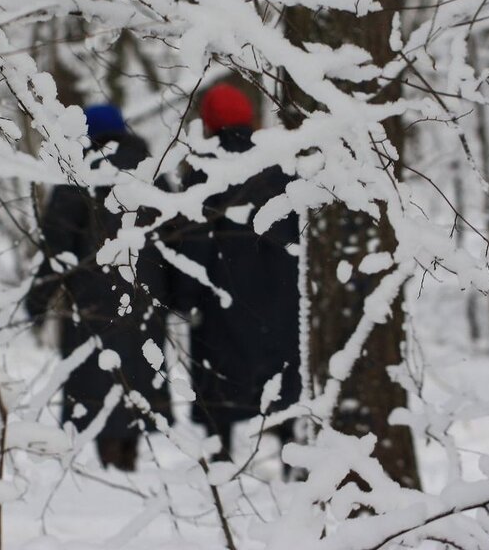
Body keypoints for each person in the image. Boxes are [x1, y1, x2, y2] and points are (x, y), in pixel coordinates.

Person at [25, 104, 175, 471]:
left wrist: (38, 301)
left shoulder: (79, 174)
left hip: (92, 308)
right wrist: (181, 296)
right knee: (136, 385)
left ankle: (111, 467)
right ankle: (128, 463)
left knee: (98, 390)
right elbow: (176, 238)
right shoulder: (150, 172)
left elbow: (56, 247)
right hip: (144, 301)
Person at [174, 83, 302, 462]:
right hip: (280, 293)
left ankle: (221, 456)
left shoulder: (203, 169)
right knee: (282, 377)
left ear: (210, 121)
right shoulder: (279, 165)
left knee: (222, 380)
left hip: (223, 298)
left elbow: (192, 239)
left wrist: (185, 295)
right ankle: (292, 453)